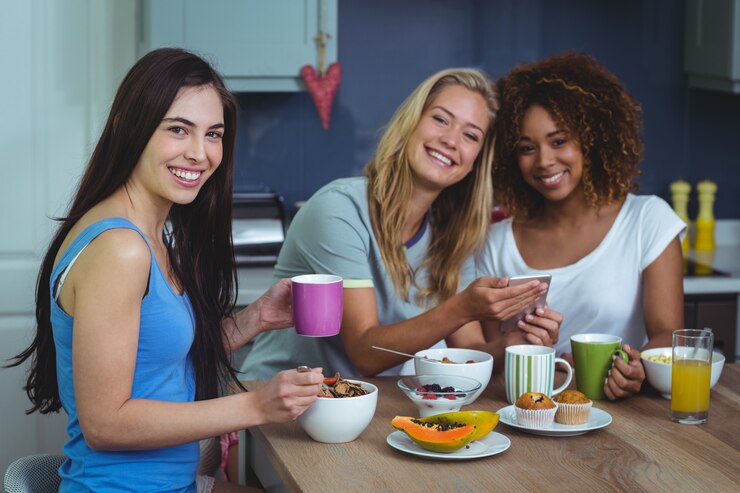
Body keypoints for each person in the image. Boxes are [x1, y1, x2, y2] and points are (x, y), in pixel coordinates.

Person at [6, 48, 324, 493]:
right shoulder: (120, 249)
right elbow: (106, 424)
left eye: (213, 134)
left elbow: (159, 362)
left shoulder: (152, 235)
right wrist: (256, 406)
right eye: (178, 129)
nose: (200, 153)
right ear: (130, 126)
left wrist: (256, 319)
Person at [242, 68, 563, 381]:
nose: (451, 140)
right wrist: (463, 307)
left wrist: (510, 346)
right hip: (275, 413)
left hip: (358, 411)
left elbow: (470, 352)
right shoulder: (339, 209)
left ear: (476, 161)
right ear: (412, 123)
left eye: (470, 135)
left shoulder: (449, 236)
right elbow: (365, 353)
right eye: (440, 119)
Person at [477, 52, 686, 399]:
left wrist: (634, 366)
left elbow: (668, 333)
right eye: (527, 148)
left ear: (593, 139)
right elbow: (491, 354)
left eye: (559, 141)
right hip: (524, 417)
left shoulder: (647, 221)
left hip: (621, 419)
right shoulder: (495, 244)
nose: (544, 161)